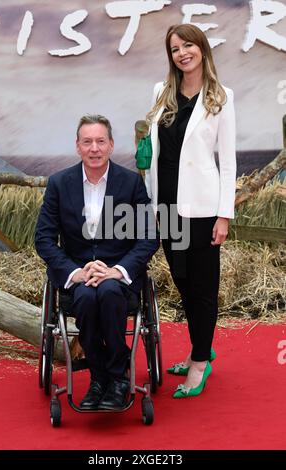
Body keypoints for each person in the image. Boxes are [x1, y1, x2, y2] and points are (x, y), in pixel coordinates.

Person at [35, 114, 159, 410]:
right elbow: (44, 239)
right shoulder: (59, 184)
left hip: (119, 277)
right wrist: (75, 272)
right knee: (89, 298)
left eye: (100, 141)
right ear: (77, 146)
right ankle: (101, 376)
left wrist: (118, 270)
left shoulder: (130, 184)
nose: (94, 148)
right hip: (77, 277)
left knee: (107, 292)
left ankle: (114, 377)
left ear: (111, 145)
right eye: (87, 142)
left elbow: (149, 237)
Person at [145, 24, 236, 397]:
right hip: (165, 205)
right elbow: (156, 147)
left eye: (188, 45)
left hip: (201, 208)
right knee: (181, 281)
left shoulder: (222, 96)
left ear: (202, 48)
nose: (182, 52)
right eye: (175, 48)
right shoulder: (160, 92)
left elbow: (228, 162)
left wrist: (224, 215)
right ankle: (202, 344)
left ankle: (200, 363)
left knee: (203, 287)